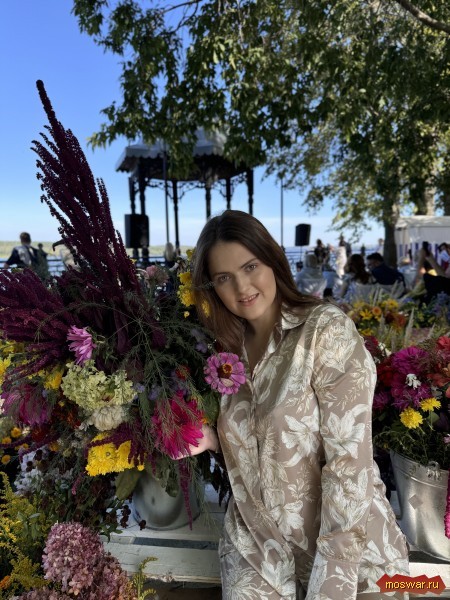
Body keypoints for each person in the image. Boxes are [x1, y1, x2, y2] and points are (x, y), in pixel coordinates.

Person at [187, 210, 409, 600]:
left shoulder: (324, 331)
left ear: (272, 260)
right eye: (224, 277)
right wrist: (211, 438)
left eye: (250, 267)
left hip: (351, 544)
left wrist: (333, 578)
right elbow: (265, 442)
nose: (242, 286)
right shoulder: (219, 352)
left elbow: (349, 464)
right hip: (258, 544)